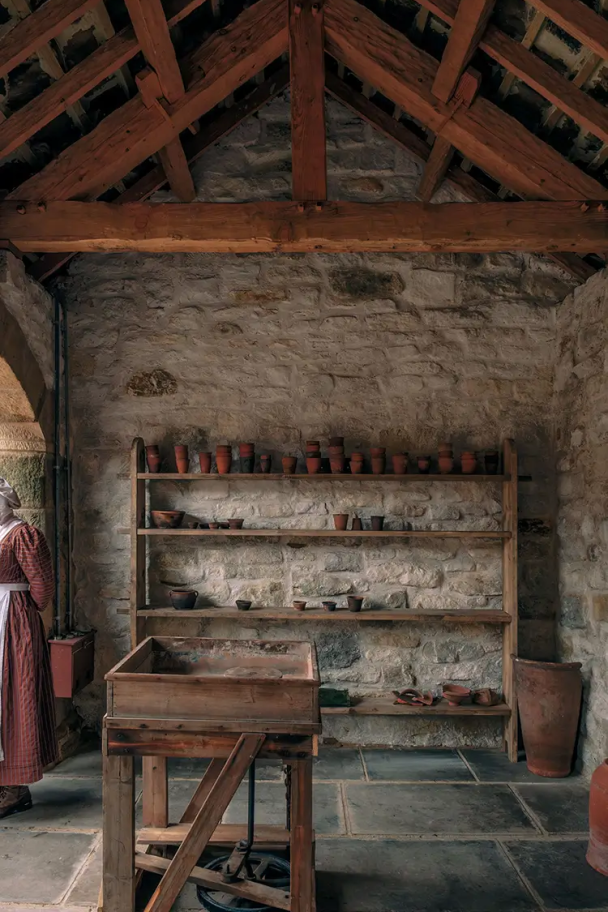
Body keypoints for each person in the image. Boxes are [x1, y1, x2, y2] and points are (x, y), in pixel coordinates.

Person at [0, 477, 57, 818]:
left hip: (14, 620)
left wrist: (21, 614)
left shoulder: (23, 534)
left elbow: (42, 586)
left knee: (14, 696)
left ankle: (14, 787)